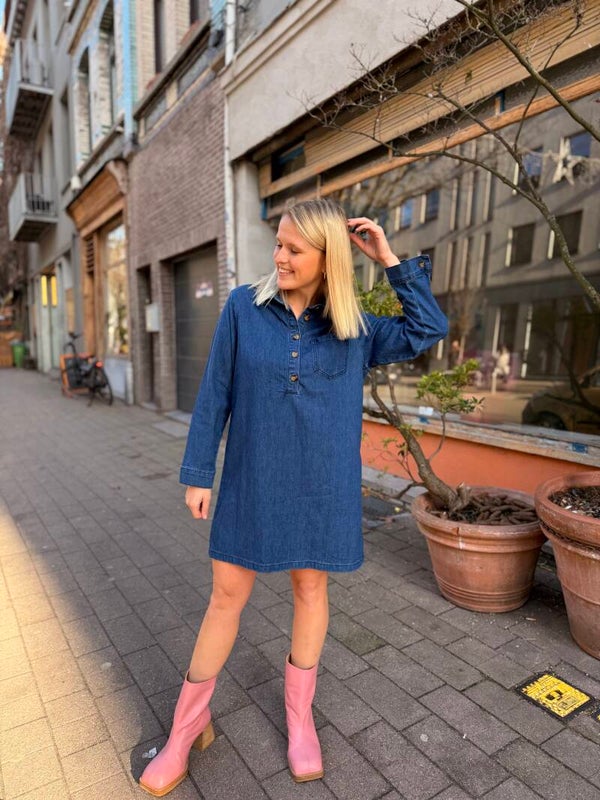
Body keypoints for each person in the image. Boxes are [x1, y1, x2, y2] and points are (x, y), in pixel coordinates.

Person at [138, 198, 448, 796]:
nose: (278, 256)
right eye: (278, 244)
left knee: (311, 591)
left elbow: (426, 329)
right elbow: (215, 392)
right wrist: (198, 473)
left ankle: (300, 719)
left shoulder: (354, 328)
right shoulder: (243, 308)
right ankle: (186, 728)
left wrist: (389, 259)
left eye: (293, 249)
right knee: (225, 597)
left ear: (327, 258)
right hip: (252, 479)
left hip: (323, 485)